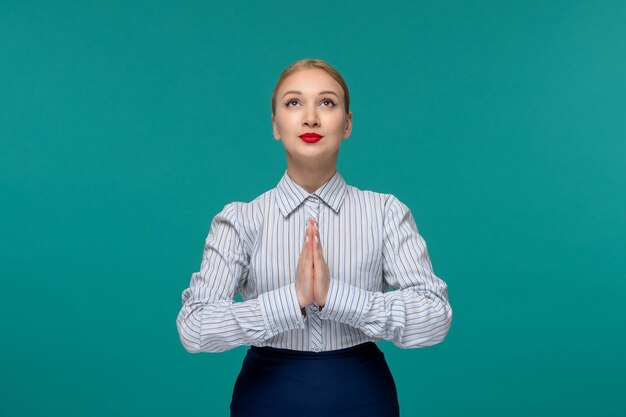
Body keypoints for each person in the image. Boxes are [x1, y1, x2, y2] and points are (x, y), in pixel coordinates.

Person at [176, 58, 453, 417]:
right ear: (276, 125)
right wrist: (292, 299)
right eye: (293, 103)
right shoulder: (241, 219)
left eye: (327, 102)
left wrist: (334, 297)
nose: (311, 117)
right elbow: (194, 327)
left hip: (363, 397)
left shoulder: (385, 212)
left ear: (348, 123)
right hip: (266, 399)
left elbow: (435, 317)